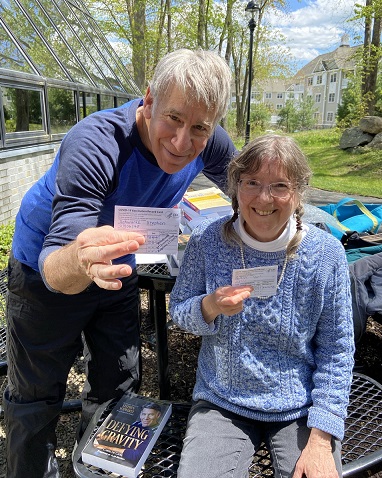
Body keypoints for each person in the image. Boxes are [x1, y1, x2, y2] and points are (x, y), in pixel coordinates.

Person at [4, 48, 236, 478]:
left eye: (200, 128)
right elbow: (57, 266)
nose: (183, 143)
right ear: (147, 101)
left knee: (118, 380)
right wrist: (80, 259)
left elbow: (248, 186)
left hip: (122, 266)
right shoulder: (95, 142)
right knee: (36, 396)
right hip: (47, 268)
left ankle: (94, 468)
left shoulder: (210, 141)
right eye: (173, 119)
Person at [169, 134, 355, 478]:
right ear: (235, 187)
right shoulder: (207, 241)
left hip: (300, 408)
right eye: (252, 182)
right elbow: (179, 311)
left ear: (298, 192)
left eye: (280, 185)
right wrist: (209, 306)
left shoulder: (327, 255)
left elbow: (337, 352)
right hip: (221, 401)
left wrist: (320, 440)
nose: (264, 198)